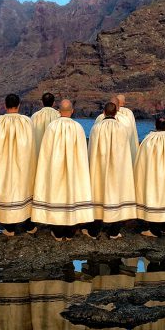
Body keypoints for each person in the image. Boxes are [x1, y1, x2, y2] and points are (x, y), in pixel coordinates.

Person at [32, 99, 94, 241]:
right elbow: (82, 153)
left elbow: (45, 152)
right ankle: (70, 231)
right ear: (72, 111)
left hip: (55, 168)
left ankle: (58, 232)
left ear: (59, 111)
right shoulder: (78, 127)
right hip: (74, 169)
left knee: (56, 195)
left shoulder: (52, 127)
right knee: (72, 195)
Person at [85, 101, 137, 239]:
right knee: (118, 195)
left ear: (104, 112)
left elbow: (91, 151)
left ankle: (94, 231)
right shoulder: (122, 128)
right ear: (115, 113)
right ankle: (114, 231)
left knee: (98, 195)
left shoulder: (96, 128)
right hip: (118, 169)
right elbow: (125, 152)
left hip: (99, 168)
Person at [0, 93, 37, 236]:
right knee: (25, 190)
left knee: (5, 191)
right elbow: (31, 145)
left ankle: (9, 227)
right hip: (23, 163)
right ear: (19, 105)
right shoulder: (27, 121)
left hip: (3, 163)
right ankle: (29, 225)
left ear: (5, 105)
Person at [30, 92, 59, 159]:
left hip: (38, 153)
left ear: (42, 102)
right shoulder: (58, 115)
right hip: (53, 154)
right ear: (54, 103)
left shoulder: (34, 116)